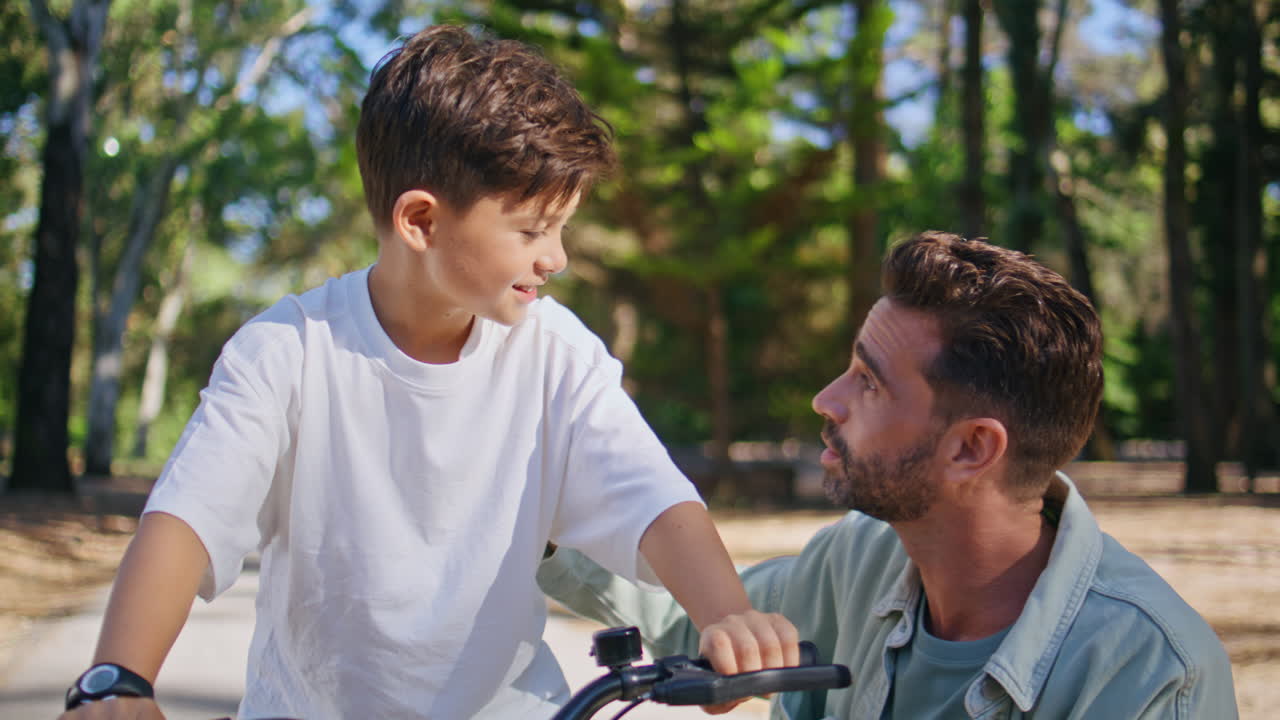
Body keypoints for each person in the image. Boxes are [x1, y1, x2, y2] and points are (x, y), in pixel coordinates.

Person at [59, 25, 797, 720]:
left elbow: (654, 499)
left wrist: (727, 617)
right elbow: (188, 520)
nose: (557, 257)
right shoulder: (288, 349)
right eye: (533, 230)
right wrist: (121, 675)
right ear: (420, 221)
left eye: (562, 228)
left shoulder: (555, 354)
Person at [539, 232, 1239, 719]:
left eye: (869, 384)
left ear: (971, 450)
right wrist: (538, 522)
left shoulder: (1153, 674)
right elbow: (694, 621)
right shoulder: (861, 559)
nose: (826, 400)